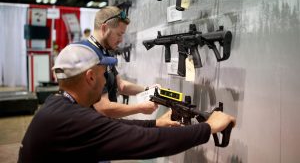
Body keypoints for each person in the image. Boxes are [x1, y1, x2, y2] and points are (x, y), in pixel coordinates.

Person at [18, 42, 236, 163]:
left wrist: (154, 124)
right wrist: (208, 127)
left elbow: (110, 127)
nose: (107, 80)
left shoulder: (59, 105)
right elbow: (146, 142)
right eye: (105, 74)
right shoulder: (70, 118)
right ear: (91, 77)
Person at [90, 6, 159, 118]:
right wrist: (140, 108)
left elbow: (120, 86)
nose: (121, 40)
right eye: (119, 34)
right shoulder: (90, 57)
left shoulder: (106, 52)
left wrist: (148, 90)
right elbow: (102, 108)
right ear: (104, 28)